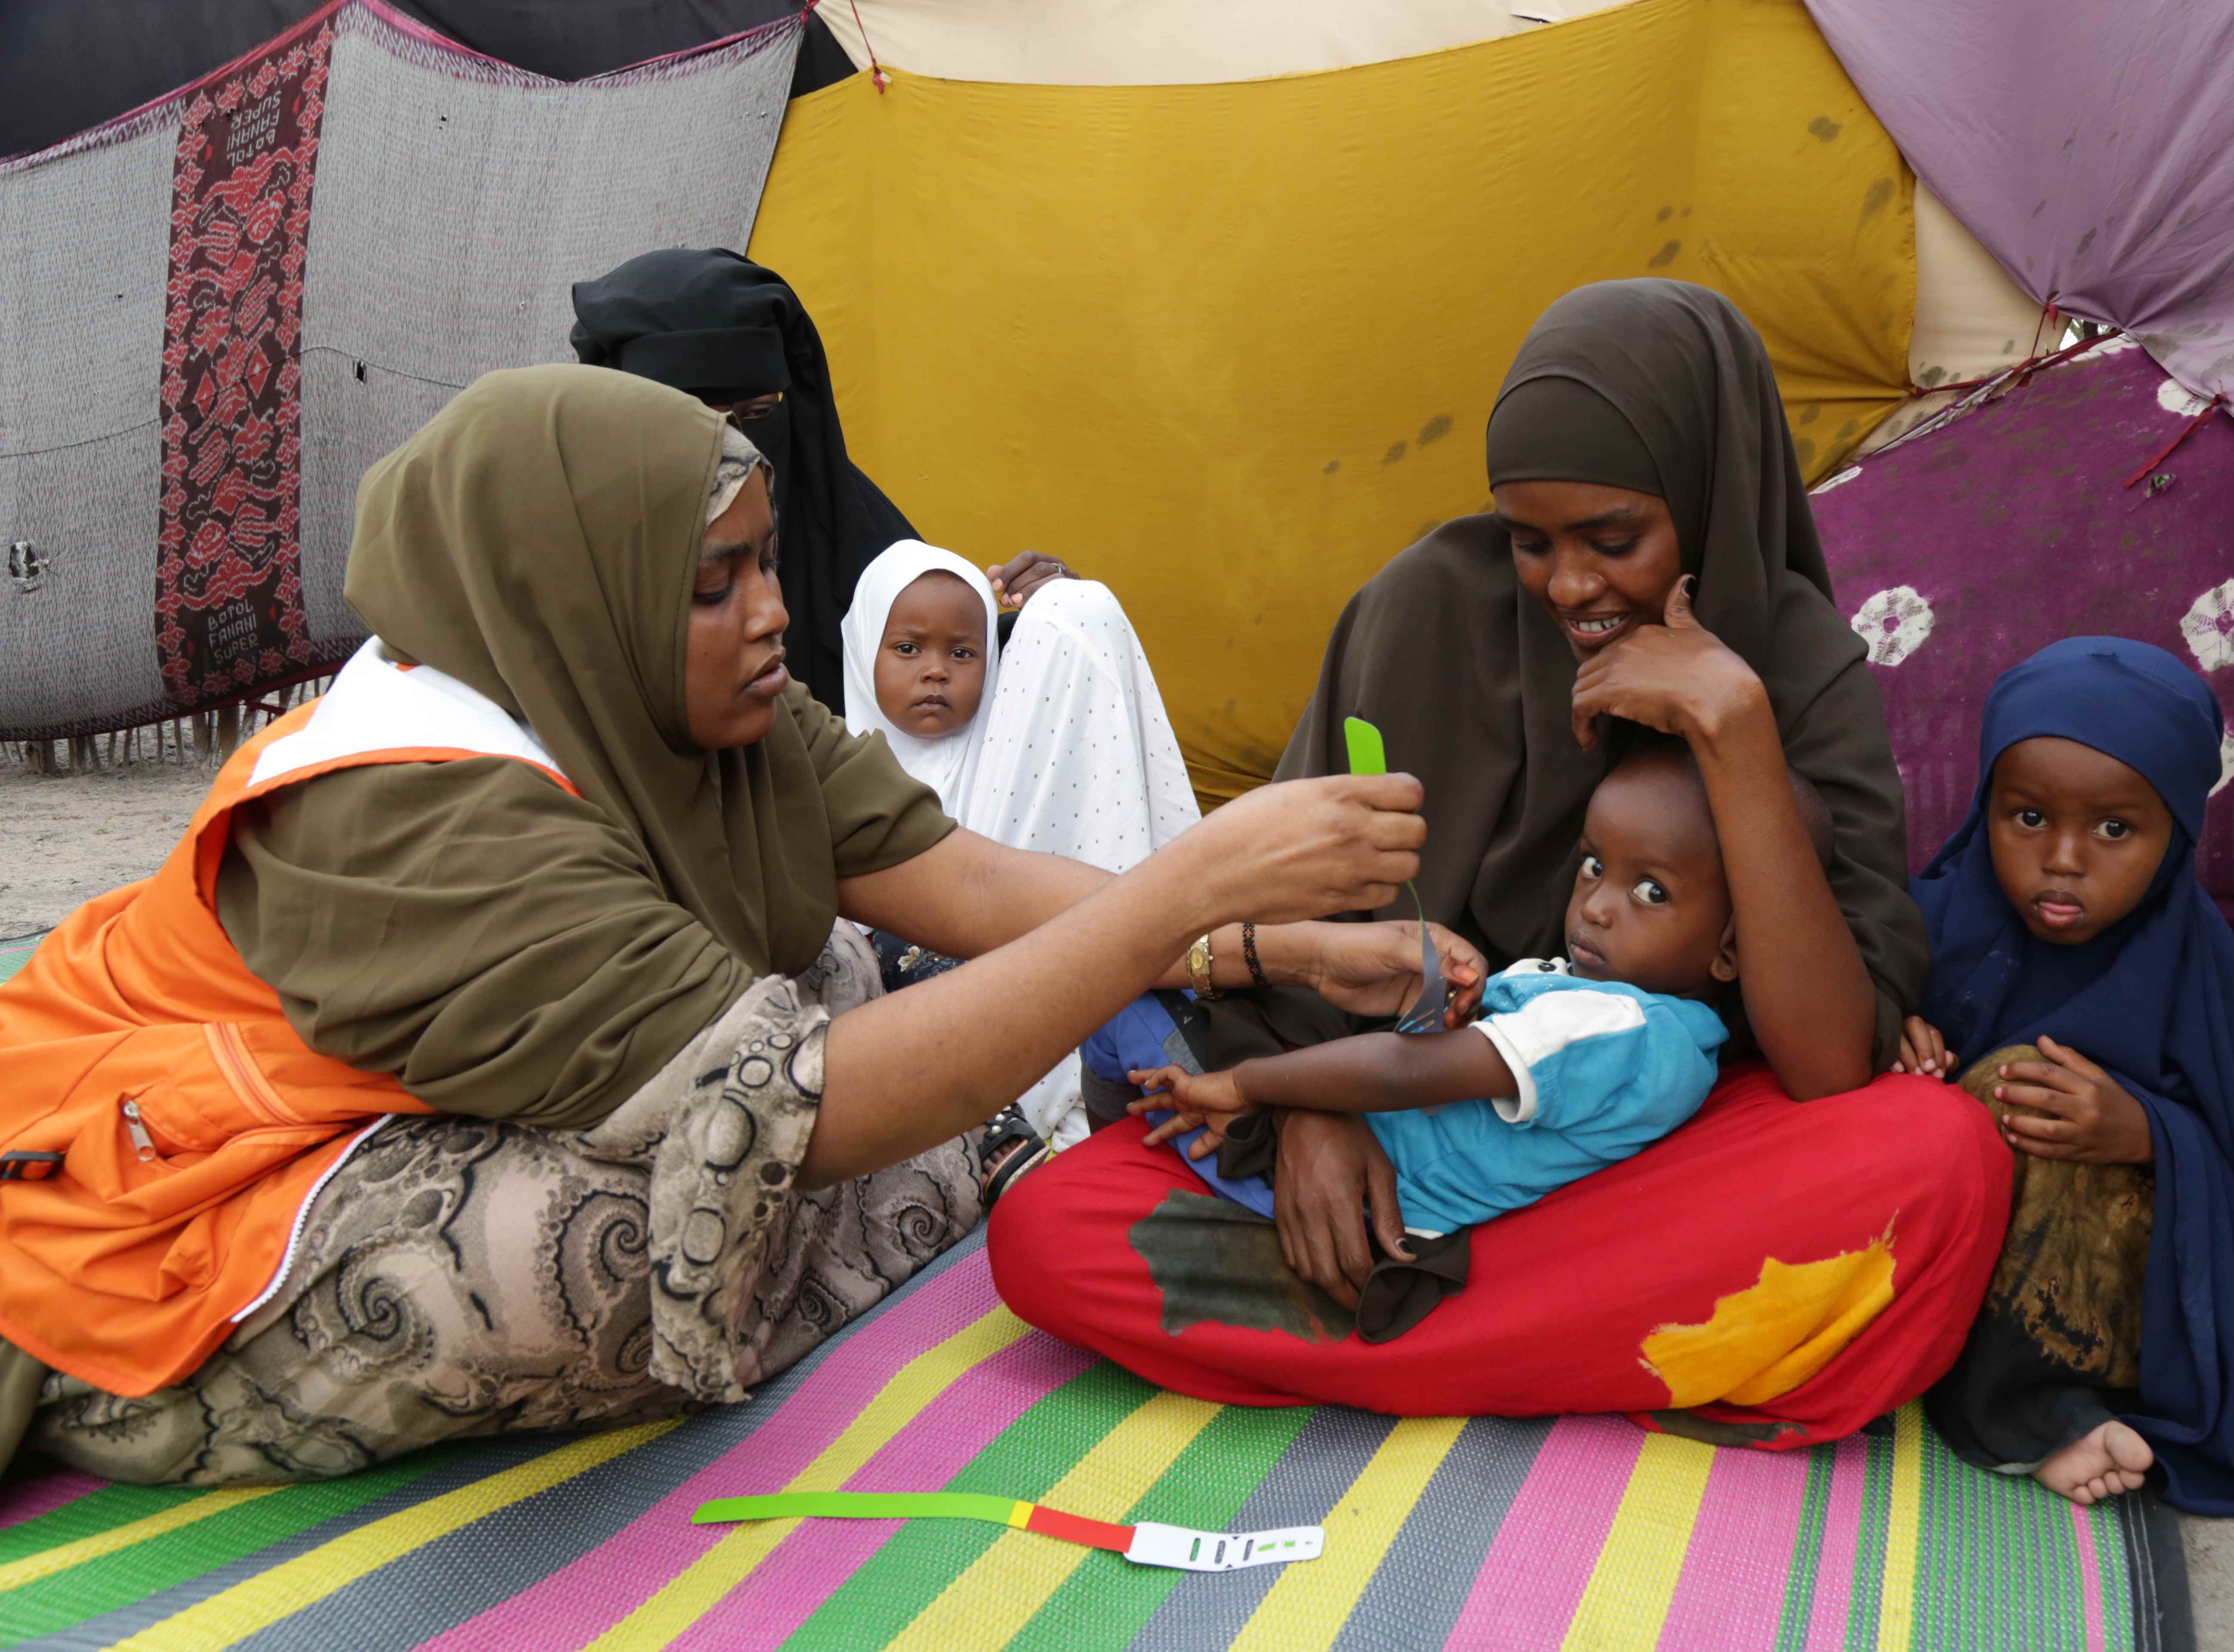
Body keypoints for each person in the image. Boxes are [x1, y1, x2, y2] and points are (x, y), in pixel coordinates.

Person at [0, 365, 1472, 1485]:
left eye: (769, 562)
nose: (773, 613)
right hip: (198, 1185)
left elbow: (964, 886)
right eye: (717, 583)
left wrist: (1266, 947)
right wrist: (1191, 886)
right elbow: (803, 1105)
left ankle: (824, 1239)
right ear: (574, 591)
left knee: (833, 966)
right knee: (580, 1258)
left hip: (485, 1092)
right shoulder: (404, 808)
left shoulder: (692, 704)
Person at [988, 282, 2010, 1438]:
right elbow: (1280, 899)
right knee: (1048, 1233)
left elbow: (1828, 1060)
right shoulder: (1424, 610)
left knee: (1939, 1160)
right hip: (1401, 1142)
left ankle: (1428, 1337)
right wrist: (1310, 1118)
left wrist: (1732, 728)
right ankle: (1585, 1345)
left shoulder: (1793, 666)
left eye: (1613, 540)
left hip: (1638, 1170)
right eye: (1534, 543)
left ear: (1709, 502)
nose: (1569, 586)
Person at [1898, 637, 2234, 1516]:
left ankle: (2042, 1415)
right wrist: (1894, 1035)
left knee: (2022, 1083)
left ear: (2177, 835)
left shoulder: (2198, 979)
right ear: (1983, 805)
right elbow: (1834, 1044)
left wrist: (2147, 1135)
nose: (2064, 857)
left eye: (2115, 829)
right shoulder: (1931, 923)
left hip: (2099, 1302)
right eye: (2028, 817)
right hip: (1940, 1259)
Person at [1124, 744, 1836, 1340]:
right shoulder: (1595, 1002)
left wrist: (1247, 1086)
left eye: (1651, 892)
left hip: (1337, 1206)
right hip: (1342, 1181)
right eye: (1594, 866)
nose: (1595, 906)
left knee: (1122, 982)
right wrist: (1434, 999)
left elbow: (1405, 1077)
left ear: (1731, 950)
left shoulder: (1628, 1029)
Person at [839, 541, 1202, 1143]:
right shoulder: (837, 785)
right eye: (907, 648)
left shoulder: (1013, 756)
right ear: (860, 653)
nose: (935, 671)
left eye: (962, 653)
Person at [571, 247, 916, 709]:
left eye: (757, 416)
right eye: (697, 421)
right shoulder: (563, 570)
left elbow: (960, 661)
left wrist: (1040, 620)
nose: (740, 453)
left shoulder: (868, 553)